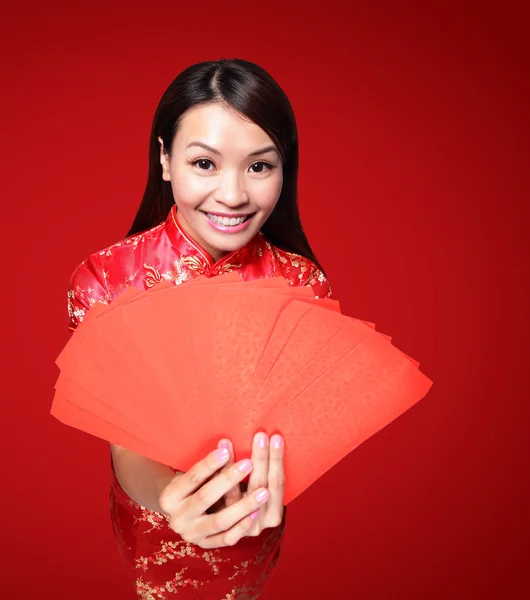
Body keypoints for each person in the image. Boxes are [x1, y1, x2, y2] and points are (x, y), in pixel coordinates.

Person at [66, 59, 332, 600]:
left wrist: (262, 490)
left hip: (258, 516)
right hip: (154, 516)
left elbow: (302, 426)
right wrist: (172, 500)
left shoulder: (304, 284)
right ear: (165, 159)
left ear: (286, 168)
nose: (233, 195)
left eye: (259, 167)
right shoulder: (106, 280)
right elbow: (127, 444)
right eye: (205, 163)